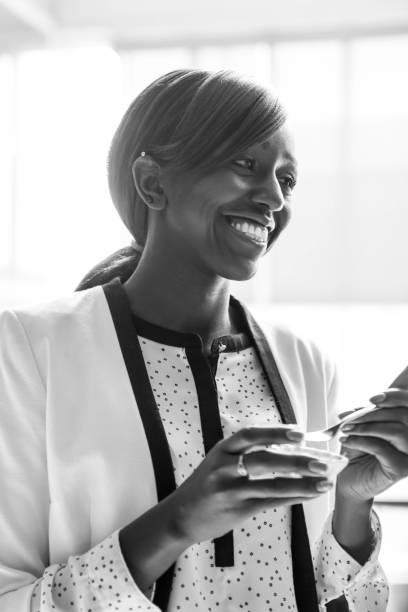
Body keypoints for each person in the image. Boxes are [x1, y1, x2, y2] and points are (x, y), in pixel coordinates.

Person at [2, 68, 407, 612]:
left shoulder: (305, 362)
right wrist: (180, 520)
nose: (273, 198)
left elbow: (337, 602)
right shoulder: (28, 348)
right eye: (246, 164)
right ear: (153, 183)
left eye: (287, 181)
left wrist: (353, 503)